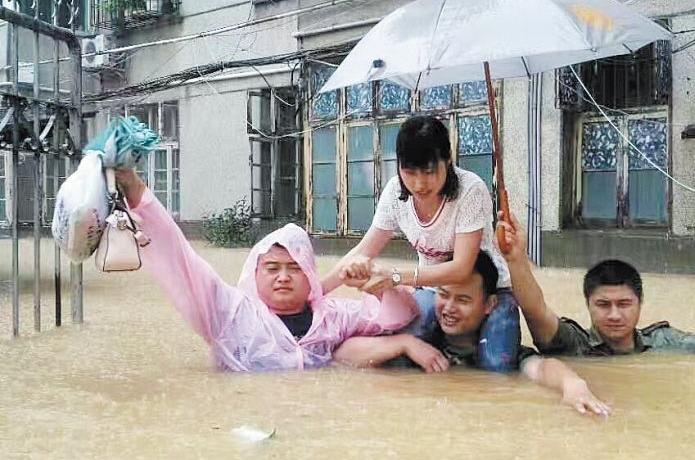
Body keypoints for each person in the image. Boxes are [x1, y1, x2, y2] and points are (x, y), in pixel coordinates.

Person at [115, 168, 418, 372]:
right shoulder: (229, 313)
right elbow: (181, 258)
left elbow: (398, 317)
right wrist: (135, 191)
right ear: (255, 273)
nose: (283, 277)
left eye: (294, 268)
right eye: (272, 268)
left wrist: (378, 281)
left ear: (310, 275)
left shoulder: (333, 316)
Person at [323, 115, 521, 372]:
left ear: (447, 161)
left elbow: (461, 268)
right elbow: (363, 250)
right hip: (434, 290)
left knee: (498, 366)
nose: (419, 183)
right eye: (410, 172)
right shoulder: (395, 193)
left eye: (429, 172)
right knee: (398, 356)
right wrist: (313, 293)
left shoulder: (470, 190)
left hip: (486, 290)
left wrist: (395, 277)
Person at [334, 251, 611, 417]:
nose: (449, 308)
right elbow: (341, 354)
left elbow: (542, 367)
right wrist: (404, 343)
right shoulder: (423, 340)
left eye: (463, 300)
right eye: (443, 295)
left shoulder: (499, 352)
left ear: (489, 305)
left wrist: (574, 386)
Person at [499, 212, 695, 363]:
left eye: (624, 305)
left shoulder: (663, 342)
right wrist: (517, 259)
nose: (614, 315)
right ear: (588, 305)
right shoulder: (574, 344)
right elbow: (535, 311)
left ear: (640, 304)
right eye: (603, 305)